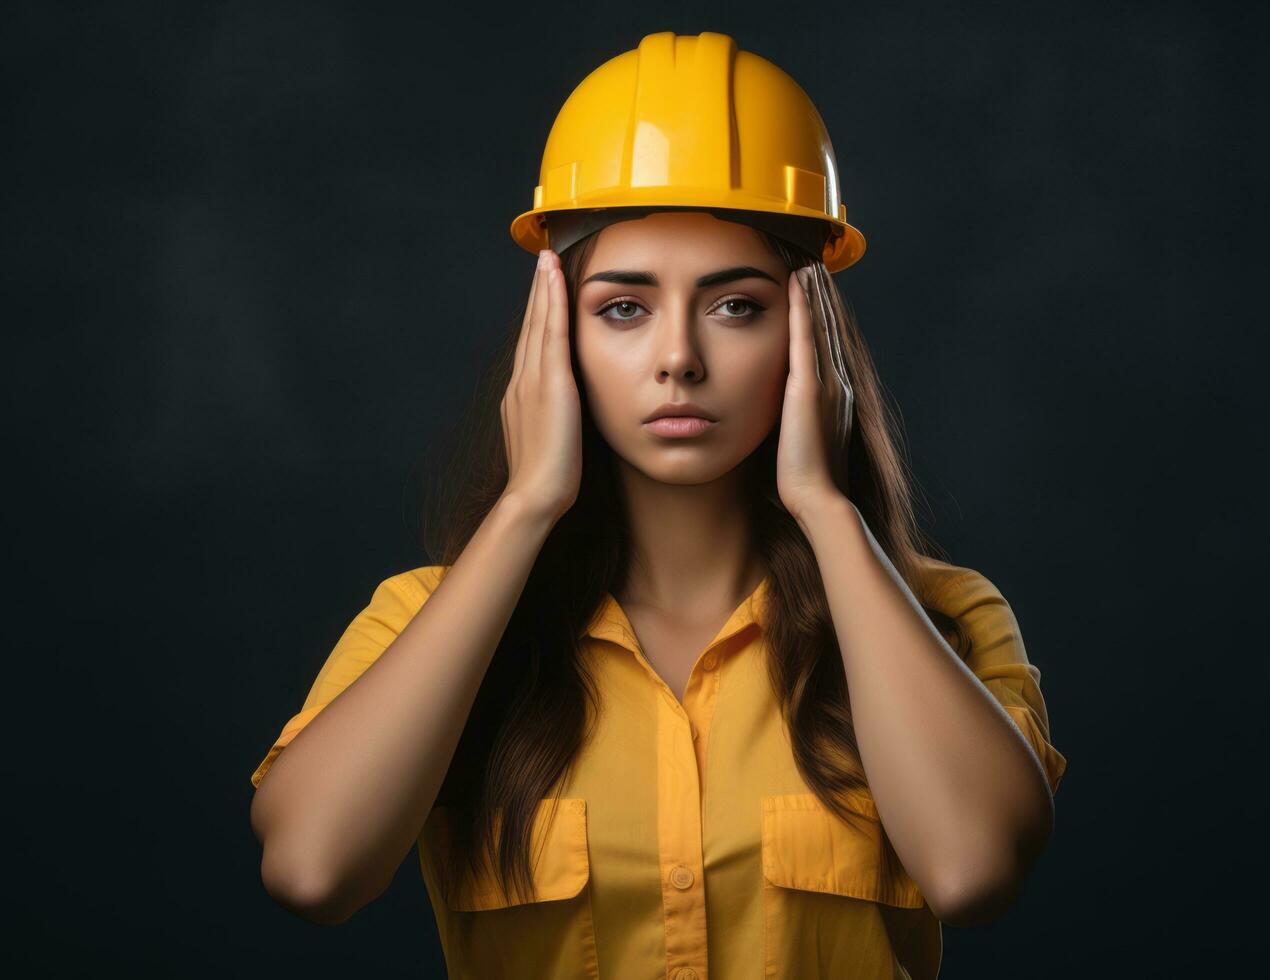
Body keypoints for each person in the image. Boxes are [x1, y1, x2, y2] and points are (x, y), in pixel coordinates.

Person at [248, 31, 1067, 979]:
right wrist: (526, 506)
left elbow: (971, 873)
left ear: (813, 337)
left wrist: (823, 507)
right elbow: (311, 871)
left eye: (736, 306)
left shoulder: (948, 619)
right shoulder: (425, 622)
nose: (678, 357)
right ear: (554, 337)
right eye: (624, 308)